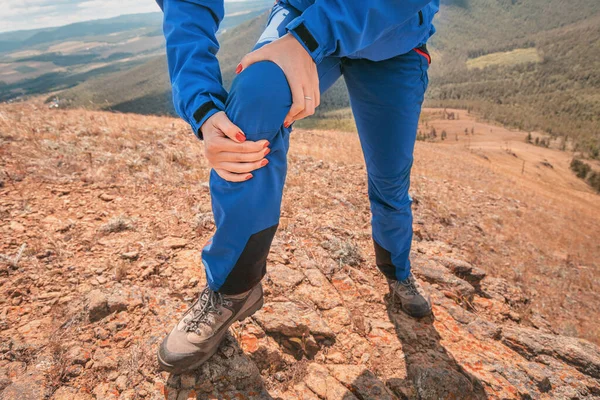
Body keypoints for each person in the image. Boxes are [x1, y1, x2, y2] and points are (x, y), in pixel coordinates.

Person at [155, 0, 439, 374]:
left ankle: (396, 270)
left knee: (390, 178)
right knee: (254, 100)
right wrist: (202, 106)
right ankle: (235, 287)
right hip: (303, 14)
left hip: (392, 34)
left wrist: (308, 37)